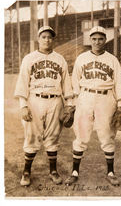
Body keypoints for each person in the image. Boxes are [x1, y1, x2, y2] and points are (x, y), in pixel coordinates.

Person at [65, 26, 121, 186]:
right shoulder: (81, 58)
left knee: (107, 134)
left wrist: (120, 104)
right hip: (85, 97)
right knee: (81, 133)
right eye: (94, 38)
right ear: (89, 40)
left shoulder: (112, 59)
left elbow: (119, 82)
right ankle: (74, 172)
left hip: (106, 98)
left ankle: (111, 172)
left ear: (105, 40)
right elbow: (75, 81)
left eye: (100, 38)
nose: (97, 41)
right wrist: (73, 103)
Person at [14, 26, 73, 186]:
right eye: (44, 37)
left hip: (55, 101)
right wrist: (23, 105)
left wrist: (69, 105)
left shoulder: (60, 59)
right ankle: (26, 172)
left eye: (50, 37)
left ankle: (53, 171)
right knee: (32, 136)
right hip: (35, 100)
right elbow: (22, 83)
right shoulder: (29, 58)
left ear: (53, 39)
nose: (47, 39)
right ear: (38, 39)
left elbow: (66, 83)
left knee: (53, 136)